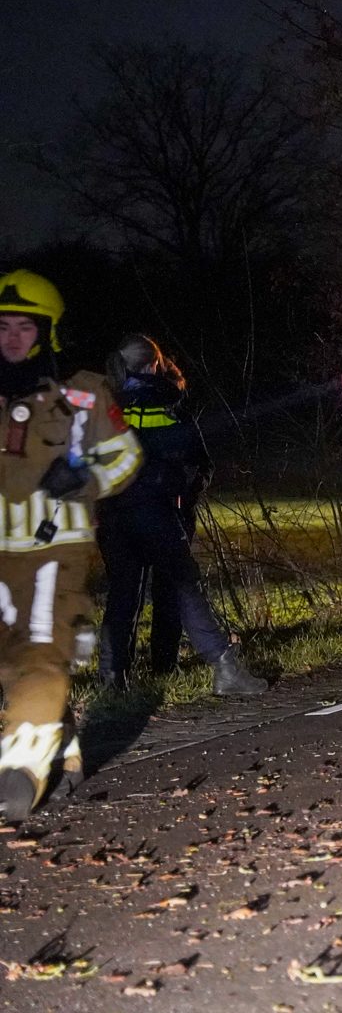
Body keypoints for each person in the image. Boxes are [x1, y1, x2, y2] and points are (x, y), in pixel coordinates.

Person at [0, 270, 144, 820]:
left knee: (41, 650)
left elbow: (126, 456)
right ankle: (61, 746)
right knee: (11, 662)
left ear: (47, 331)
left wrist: (84, 481)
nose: (13, 338)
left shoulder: (82, 392)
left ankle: (21, 765)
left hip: (54, 547)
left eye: (24, 328)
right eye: (4, 327)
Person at [96, 335, 266, 696]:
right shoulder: (168, 402)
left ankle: (112, 683)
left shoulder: (105, 407)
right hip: (157, 510)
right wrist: (182, 494)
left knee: (122, 595)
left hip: (114, 514)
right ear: (153, 365)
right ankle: (224, 668)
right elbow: (193, 461)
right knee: (185, 585)